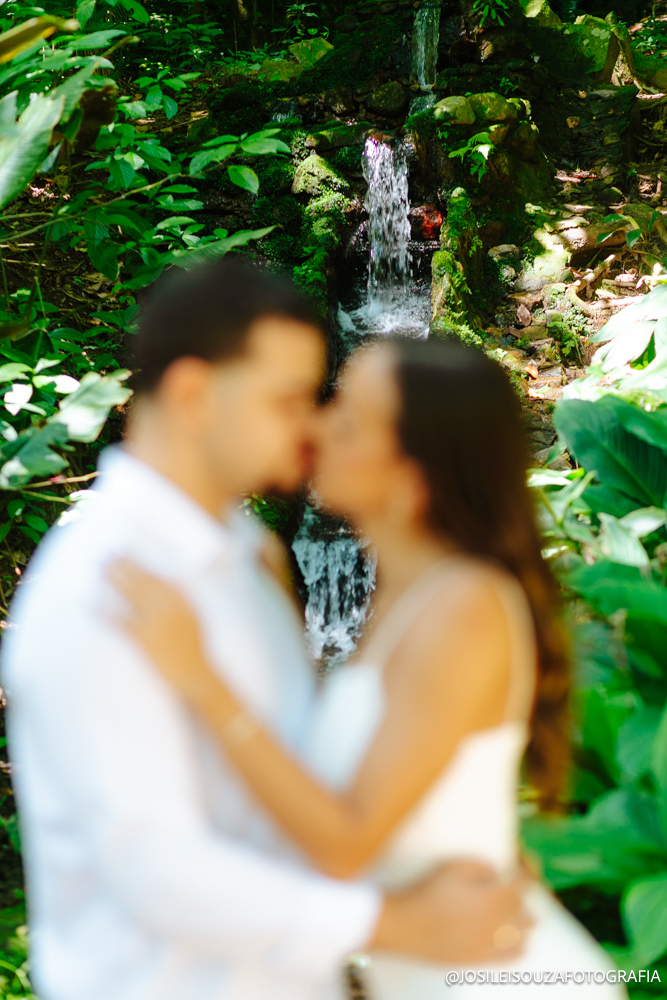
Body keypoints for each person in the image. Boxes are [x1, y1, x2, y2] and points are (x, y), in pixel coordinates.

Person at [2, 260, 530, 1000]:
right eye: (288, 400)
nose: (313, 426)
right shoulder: (104, 585)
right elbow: (152, 865)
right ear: (193, 394)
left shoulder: (251, 559)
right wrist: (392, 924)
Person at [109, 336, 628, 999]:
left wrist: (201, 680)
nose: (318, 425)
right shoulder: (405, 597)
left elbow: (347, 843)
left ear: (411, 480)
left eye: (349, 420)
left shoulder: (464, 609)